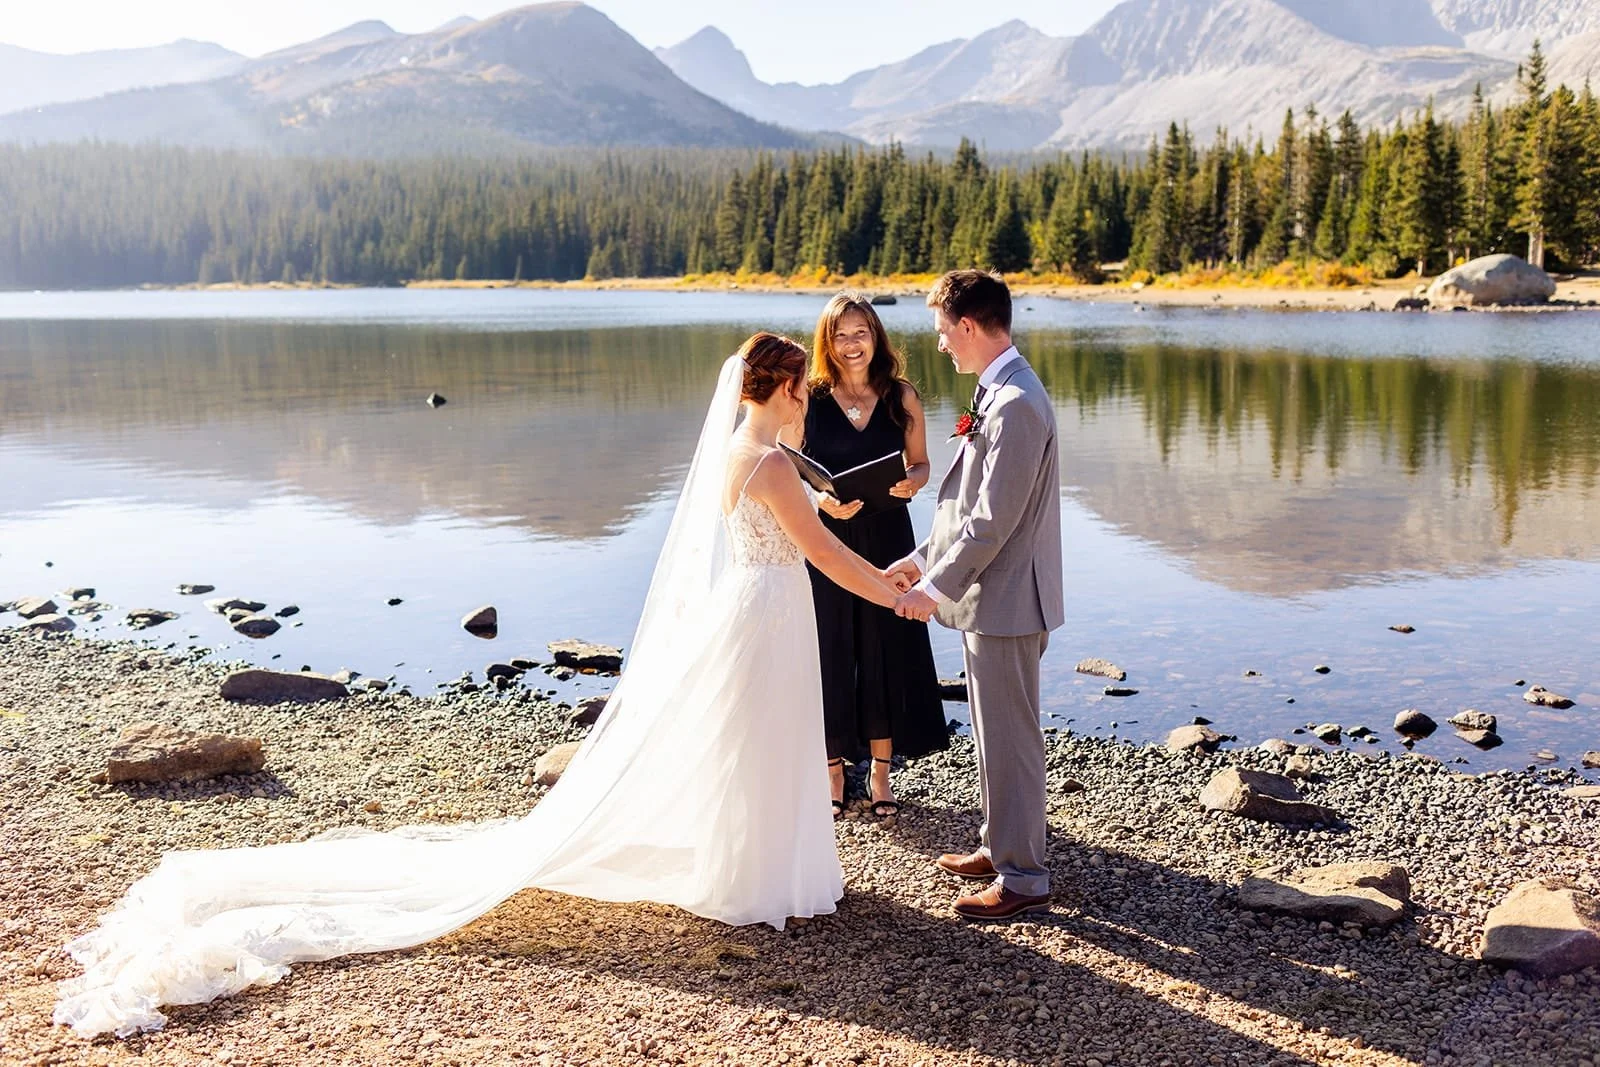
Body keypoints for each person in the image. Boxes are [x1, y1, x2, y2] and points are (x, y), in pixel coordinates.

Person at [52, 333, 908, 1039]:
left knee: (756, 737)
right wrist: (899, 592)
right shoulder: (766, 463)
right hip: (769, 610)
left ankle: (765, 866)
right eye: (803, 384)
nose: (811, 395)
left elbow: (804, 519)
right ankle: (760, 877)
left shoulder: (750, 450)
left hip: (760, 605)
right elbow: (825, 554)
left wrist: (833, 515)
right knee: (760, 733)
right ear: (784, 385)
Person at [888, 271, 1065, 923]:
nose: (940, 346)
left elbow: (994, 521)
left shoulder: (1017, 403)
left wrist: (934, 590)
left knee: (1011, 736)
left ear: (968, 325)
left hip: (1010, 598)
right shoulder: (997, 393)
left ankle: (1025, 877)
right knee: (992, 730)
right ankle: (1000, 846)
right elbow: (962, 510)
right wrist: (916, 561)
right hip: (991, 596)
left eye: (942, 331)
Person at [784, 292, 947, 819]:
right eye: (840, 335)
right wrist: (821, 501)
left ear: (876, 336)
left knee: (884, 650)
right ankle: (833, 771)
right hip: (827, 543)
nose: (851, 345)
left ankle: (880, 772)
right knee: (829, 649)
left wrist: (913, 485)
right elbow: (788, 473)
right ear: (826, 342)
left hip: (889, 538)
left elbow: (920, 464)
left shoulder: (901, 396)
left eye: (861, 333)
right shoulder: (807, 397)